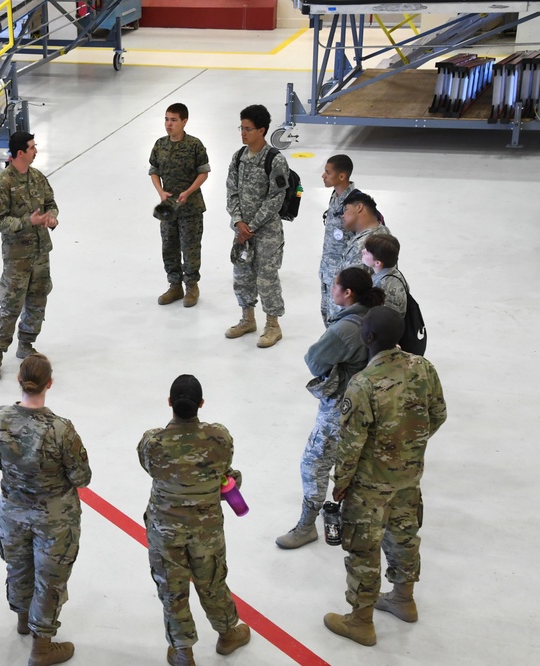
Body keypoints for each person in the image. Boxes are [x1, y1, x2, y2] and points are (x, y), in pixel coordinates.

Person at [324, 306, 447, 646]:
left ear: (369, 338)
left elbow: (351, 444)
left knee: (364, 546)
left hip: (370, 484)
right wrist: (406, 447)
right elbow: (438, 413)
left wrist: (342, 482)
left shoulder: (364, 384)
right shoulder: (423, 367)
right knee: (405, 535)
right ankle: (404, 599)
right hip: (409, 476)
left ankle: (360, 621)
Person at [0, 354, 91, 666]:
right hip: (55, 518)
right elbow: (81, 477)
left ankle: (22, 618)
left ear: (19, 381)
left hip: (13, 510)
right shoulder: (61, 430)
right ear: (50, 384)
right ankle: (42, 647)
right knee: (49, 577)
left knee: (17, 566)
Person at [138, 374, 251, 665]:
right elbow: (224, 470)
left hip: (165, 531)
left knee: (172, 590)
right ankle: (227, 633)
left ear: (169, 403)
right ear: (201, 404)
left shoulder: (152, 443)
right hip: (206, 529)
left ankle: (181, 651)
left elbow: (153, 469)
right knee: (212, 580)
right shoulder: (219, 437)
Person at [275, 267, 385, 549]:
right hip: (371, 402)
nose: (331, 289)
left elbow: (314, 360)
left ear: (347, 293)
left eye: (335, 285)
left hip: (342, 406)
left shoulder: (345, 328)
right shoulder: (373, 314)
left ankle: (306, 526)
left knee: (314, 463)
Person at [0, 131, 59, 382]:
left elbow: (51, 202)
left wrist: (51, 217)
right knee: (11, 306)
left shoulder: (37, 178)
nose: (35, 151)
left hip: (40, 253)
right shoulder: (2, 183)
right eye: (32, 148)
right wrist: (28, 221)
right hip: (18, 257)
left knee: (38, 300)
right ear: (20, 153)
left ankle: (26, 343)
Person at [225, 104, 289, 348]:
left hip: (266, 232)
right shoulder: (238, 157)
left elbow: (276, 198)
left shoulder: (275, 160)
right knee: (242, 275)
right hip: (242, 231)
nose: (243, 133)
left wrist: (251, 225)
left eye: (248, 129)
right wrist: (238, 222)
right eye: (241, 127)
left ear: (262, 131)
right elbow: (231, 191)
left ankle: (273, 325)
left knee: (266, 277)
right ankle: (247, 319)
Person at [149, 102, 211, 308]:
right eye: (166, 119)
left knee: (190, 247)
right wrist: (160, 191)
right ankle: (174, 285)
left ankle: (191, 286)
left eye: (173, 120)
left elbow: (204, 172)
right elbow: (154, 171)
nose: (168, 124)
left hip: (191, 207)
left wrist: (188, 191)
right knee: (169, 246)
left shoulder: (194, 145)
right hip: (168, 208)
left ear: (184, 121)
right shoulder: (160, 145)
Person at [319, 155, 357, 327]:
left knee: (341, 323)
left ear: (342, 176)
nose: (323, 176)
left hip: (343, 278)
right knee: (328, 318)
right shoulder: (335, 197)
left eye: (328, 172)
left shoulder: (356, 205)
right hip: (328, 274)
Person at [337, 190, 390, 280]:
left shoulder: (366, 243)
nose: (343, 216)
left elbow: (353, 285)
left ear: (359, 207)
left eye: (346, 209)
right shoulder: (382, 231)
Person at [362, 234, 407, 317]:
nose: (363, 251)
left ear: (378, 263)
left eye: (367, 252)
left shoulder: (382, 286)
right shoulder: (395, 274)